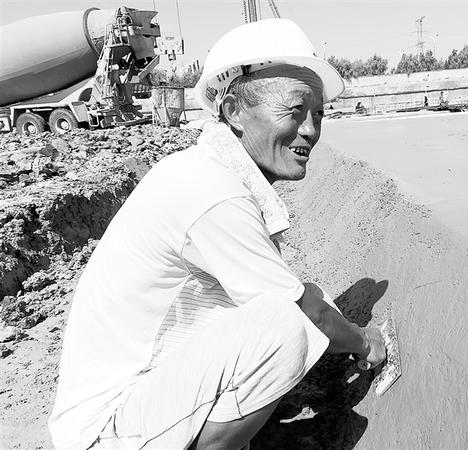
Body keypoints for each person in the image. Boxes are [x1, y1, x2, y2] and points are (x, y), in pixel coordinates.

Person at [49, 18, 386, 450]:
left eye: (318, 113)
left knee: (305, 300)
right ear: (233, 112)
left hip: (138, 401)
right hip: (107, 431)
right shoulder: (213, 192)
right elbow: (303, 315)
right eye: (294, 110)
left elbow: (305, 302)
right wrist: (363, 340)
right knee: (286, 325)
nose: (310, 130)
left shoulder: (205, 170)